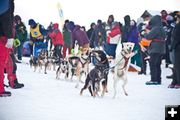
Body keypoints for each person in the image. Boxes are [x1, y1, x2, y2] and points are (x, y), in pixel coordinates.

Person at [0, 0, 24, 97]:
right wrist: (10, 36)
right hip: (3, 37)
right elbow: (6, 18)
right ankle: (5, 86)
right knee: (4, 63)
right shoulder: (6, 2)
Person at [145, 15, 166, 85]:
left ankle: (153, 79)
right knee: (158, 65)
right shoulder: (162, 28)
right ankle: (158, 79)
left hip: (155, 48)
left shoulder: (156, 28)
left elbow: (148, 37)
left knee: (152, 64)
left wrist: (144, 33)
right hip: (161, 48)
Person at [168, 12, 180, 89]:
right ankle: (175, 81)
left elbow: (175, 38)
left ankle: (178, 82)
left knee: (177, 66)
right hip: (176, 47)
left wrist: (172, 47)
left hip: (177, 47)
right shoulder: (176, 25)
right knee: (176, 65)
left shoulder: (178, 26)